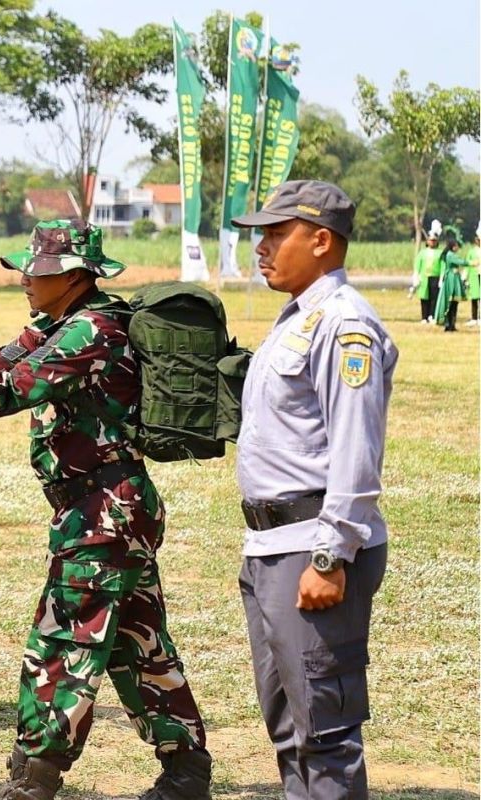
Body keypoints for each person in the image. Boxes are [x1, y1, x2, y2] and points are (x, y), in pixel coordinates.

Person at [0, 220, 211, 800]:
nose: (25, 278)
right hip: (108, 511)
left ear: (74, 275)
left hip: (103, 514)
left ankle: (36, 777)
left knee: (63, 642)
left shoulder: (93, 332)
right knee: (138, 642)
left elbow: (6, 386)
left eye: (37, 270)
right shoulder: (57, 326)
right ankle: (185, 771)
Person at [230, 180, 396, 799]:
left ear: (322, 240)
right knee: (289, 728)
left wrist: (330, 557)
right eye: (261, 237)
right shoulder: (297, 316)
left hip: (313, 551)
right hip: (271, 547)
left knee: (325, 736)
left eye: (276, 235)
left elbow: (356, 452)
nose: (262, 249)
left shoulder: (345, 324)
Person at [433, 227, 468, 332]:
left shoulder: (452, 254)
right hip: (450, 281)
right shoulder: (450, 255)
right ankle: (448, 324)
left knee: (454, 304)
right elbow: (461, 262)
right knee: (449, 303)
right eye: (457, 246)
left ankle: (452, 324)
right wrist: (471, 263)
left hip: (455, 279)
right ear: (453, 247)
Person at [410, 223, 442, 323]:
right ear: (427, 241)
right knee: (424, 298)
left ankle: (432, 315)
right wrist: (416, 275)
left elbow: (443, 266)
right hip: (424, 278)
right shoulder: (422, 253)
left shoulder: (440, 253)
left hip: (435, 277)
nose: (432, 242)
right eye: (431, 240)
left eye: (434, 241)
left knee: (434, 298)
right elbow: (417, 264)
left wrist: (442, 277)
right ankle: (424, 317)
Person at [465, 228, 481, 326]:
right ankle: (474, 317)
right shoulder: (471, 251)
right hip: (474, 276)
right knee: (474, 297)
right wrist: (465, 276)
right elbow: (467, 264)